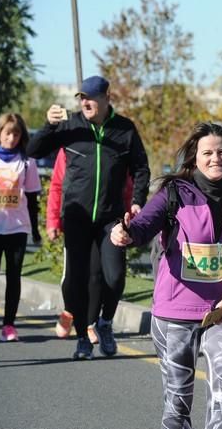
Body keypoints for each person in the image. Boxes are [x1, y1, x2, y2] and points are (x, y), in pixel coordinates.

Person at [110, 122, 222, 429]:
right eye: (208, 152)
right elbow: (144, 225)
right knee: (177, 404)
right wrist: (126, 233)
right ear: (194, 158)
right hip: (175, 314)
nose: (216, 158)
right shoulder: (174, 193)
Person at [27, 75, 150, 360]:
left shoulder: (125, 130)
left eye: (91, 97)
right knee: (74, 281)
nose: (85, 102)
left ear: (107, 98)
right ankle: (83, 336)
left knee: (114, 276)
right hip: (77, 217)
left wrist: (137, 202)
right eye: (81, 97)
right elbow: (33, 151)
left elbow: (141, 169)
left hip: (111, 218)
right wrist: (49, 126)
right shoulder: (70, 125)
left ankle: (104, 322)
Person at [48, 147, 134, 344]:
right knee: (72, 276)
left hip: (106, 220)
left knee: (96, 275)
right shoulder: (69, 146)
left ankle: (90, 323)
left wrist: (130, 219)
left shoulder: (118, 147)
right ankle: (70, 310)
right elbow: (57, 184)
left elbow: (128, 186)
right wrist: (53, 220)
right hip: (77, 220)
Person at [0, 113, 42, 341]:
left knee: (14, 276)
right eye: (7, 133)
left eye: (16, 134)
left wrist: (36, 232)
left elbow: (32, 198)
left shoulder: (27, 162)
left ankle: (9, 325)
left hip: (17, 227)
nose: (11, 138)